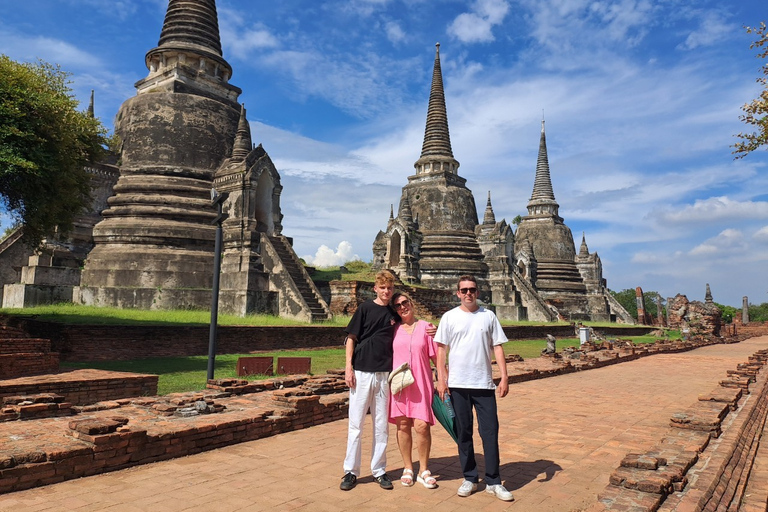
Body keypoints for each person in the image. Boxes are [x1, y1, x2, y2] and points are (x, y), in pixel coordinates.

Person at [435, 275, 514, 502]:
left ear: (477, 292)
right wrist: (442, 380)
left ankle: (494, 481)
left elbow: (497, 347)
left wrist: (505, 376)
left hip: (483, 384)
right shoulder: (449, 317)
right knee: (464, 433)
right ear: (458, 293)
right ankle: (469, 477)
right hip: (458, 385)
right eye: (464, 290)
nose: (468, 293)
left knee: (490, 432)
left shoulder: (488, 316)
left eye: (472, 290)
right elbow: (441, 351)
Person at [340, 271, 399, 491]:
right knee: (356, 424)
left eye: (390, 288)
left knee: (381, 426)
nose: (386, 291)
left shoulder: (395, 312)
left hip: (384, 374)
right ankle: (350, 471)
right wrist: (349, 368)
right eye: (383, 287)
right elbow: (351, 338)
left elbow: (409, 328)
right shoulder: (365, 308)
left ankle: (379, 470)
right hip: (362, 372)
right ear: (375, 288)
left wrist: (429, 328)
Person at [388, 291, 438, 489]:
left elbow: (437, 357)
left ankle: (424, 469)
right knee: (402, 425)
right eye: (398, 305)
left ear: (412, 303)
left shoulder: (426, 327)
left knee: (421, 426)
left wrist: (443, 379)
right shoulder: (392, 329)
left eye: (405, 302)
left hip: (420, 383)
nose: (402, 307)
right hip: (400, 385)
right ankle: (408, 467)